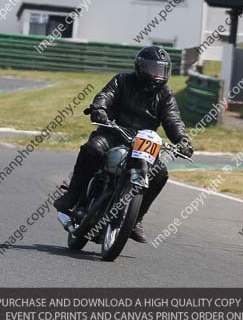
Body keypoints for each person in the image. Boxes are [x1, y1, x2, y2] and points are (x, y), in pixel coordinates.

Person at [53, 46, 194, 243]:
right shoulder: (122, 81)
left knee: (160, 173)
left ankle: (136, 219)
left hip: (144, 142)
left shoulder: (165, 95)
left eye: (161, 70)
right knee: (92, 149)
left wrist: (182, 140)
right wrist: (99, 109)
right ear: (140, 67)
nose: (157, 75)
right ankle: (73, 196)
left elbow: (173, 120)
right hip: (113, 133)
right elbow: (105, 96)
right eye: (153, 69)